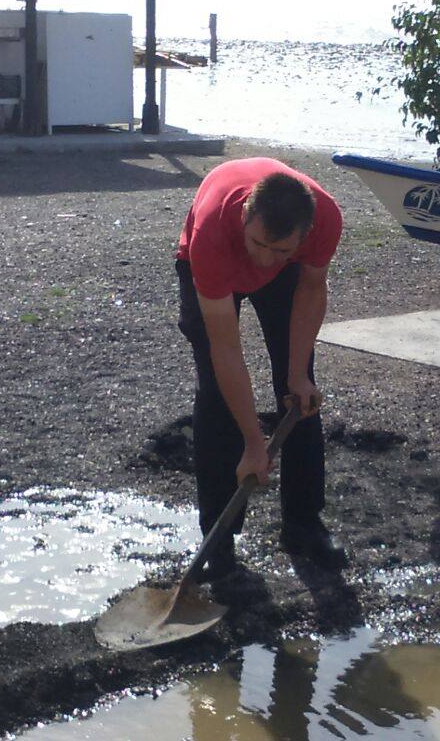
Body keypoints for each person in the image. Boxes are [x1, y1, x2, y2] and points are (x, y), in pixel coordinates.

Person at [175, 156, 347, 581]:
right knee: (217, 395)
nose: (265, 259)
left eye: (280, 249)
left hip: (290, 277)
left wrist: (297, 373)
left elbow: (311, 288)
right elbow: (227, 348)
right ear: (246, 217)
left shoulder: (325, 219)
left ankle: (303, 525)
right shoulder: (212, 234)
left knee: (300, 395)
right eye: (259, 244)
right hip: (209, 262)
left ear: (303, 235)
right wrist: (255, 443)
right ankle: (220, 540)